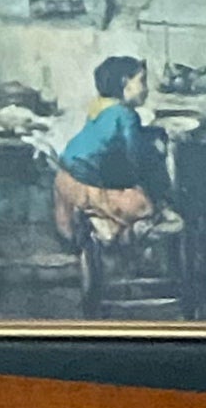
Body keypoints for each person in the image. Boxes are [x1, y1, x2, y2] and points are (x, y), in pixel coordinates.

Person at [53, 54, 188, 275]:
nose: (146, 89)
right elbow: (133, 156)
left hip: (65, 180)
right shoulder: (126, 115)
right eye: (142, 81)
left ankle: (103, 226)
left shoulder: (100, 107)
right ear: (125, 82)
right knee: (146, 206)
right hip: (89, 186)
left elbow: (109, 139)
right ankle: (111, 230)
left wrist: (149, 132)